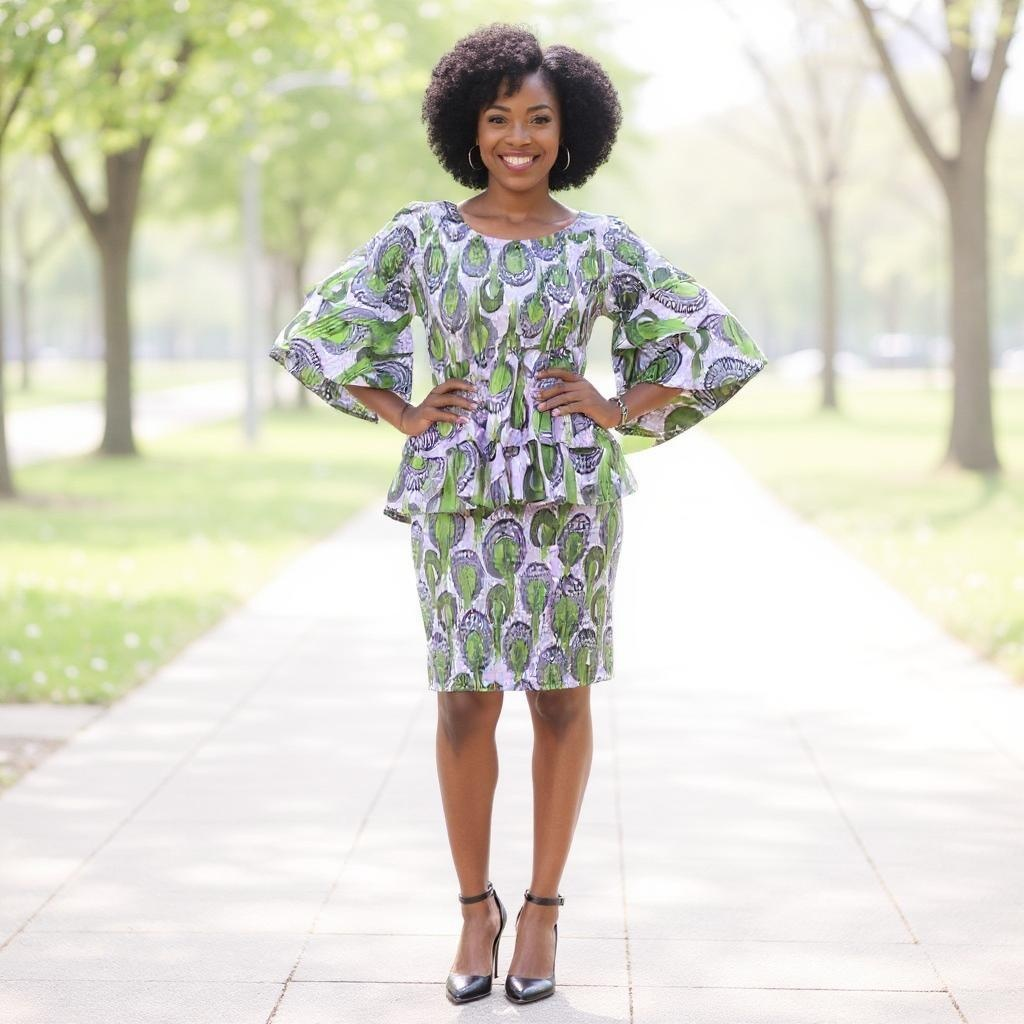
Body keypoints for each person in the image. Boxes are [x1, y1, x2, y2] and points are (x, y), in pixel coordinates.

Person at [268, 21, 768, 1006]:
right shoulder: (419, 234)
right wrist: (402, 410)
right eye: (498, 118)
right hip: (458, 491)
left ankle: (541, 909)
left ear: (569, 128)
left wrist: (621, 407)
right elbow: (317, 330)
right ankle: (471, 908)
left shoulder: (598, 242)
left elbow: (714, 338)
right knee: (464, 698)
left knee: (560, 695)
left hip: (570, 495)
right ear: (467, 125)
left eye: (538, 119)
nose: (518, 138)